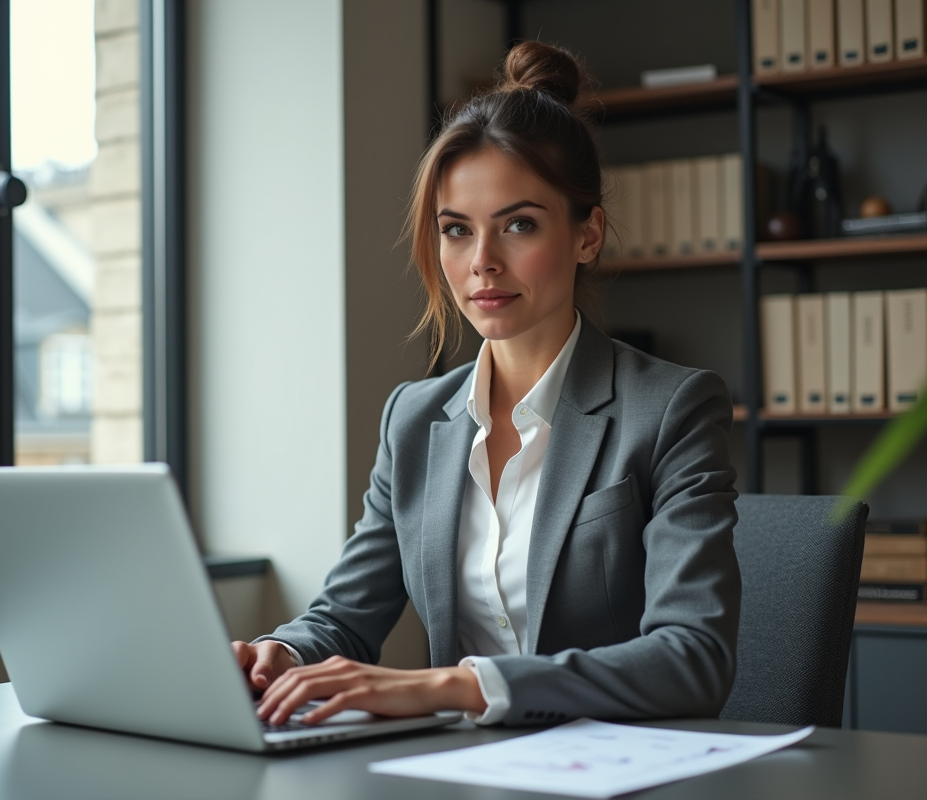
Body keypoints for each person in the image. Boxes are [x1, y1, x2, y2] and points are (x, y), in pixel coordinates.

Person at [233, 41, 741, 728]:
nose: (482, 264)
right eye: (455, 231)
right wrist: (279, 653)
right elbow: (347, 616)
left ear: (587, 234)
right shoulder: (413, 420)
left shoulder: (672, 408)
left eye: (519, 225)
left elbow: (692, 659)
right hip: (466, 773)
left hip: (618, 770)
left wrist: (453, 687)